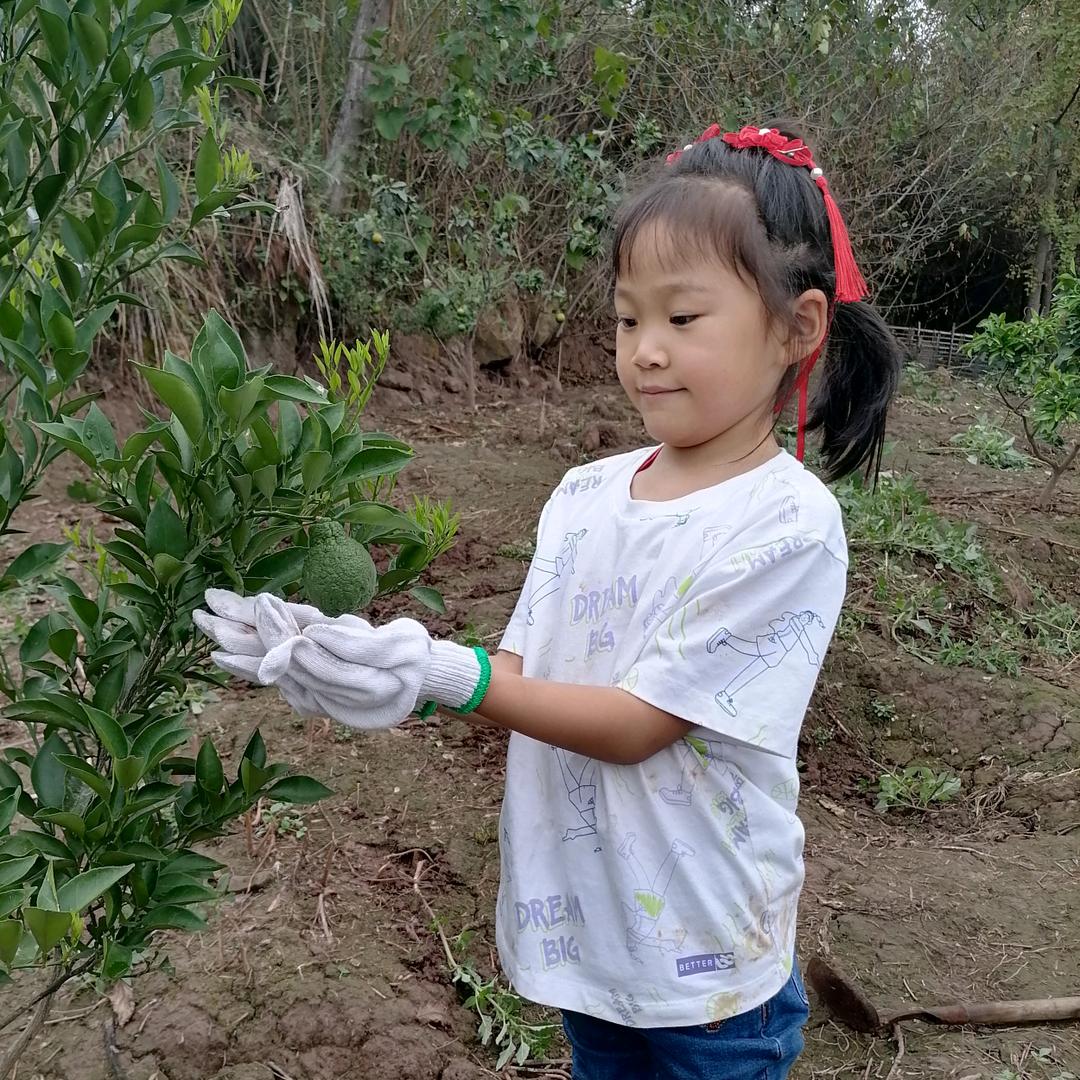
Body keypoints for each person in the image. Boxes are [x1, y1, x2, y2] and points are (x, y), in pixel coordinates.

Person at [195, 120, 901, 1079]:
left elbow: (638, 724)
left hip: (709, 978)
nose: (646, 350)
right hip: (589, 942)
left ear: (797, 328)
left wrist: (443, 671)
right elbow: (528, 674)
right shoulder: (581, 496)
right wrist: (374, 668)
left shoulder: (787, 522)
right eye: (626, 319)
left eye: (682, 320)